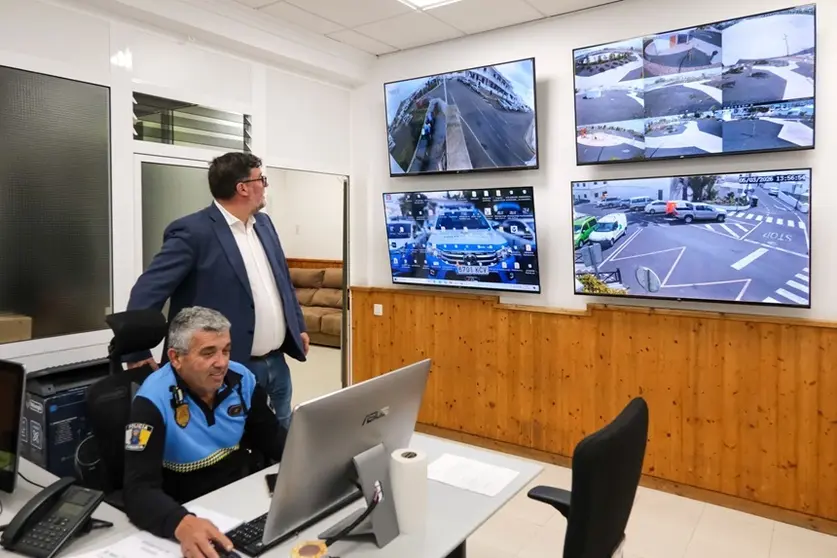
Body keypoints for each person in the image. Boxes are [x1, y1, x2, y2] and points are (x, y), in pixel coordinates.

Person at [125, 152, 309, 429]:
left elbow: (282, 282)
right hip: (226, 367)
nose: (265, 186)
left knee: (281, 435)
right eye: (262, 179)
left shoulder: (265, 226)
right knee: (233, 442)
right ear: (243, 187)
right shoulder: (193, 232)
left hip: (276, 363)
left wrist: (299, 326)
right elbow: (146, 293)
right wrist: (136, 352)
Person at [123, 307, 287, 558]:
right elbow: (138, 490)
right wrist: (181, 523)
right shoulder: (151, 401)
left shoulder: (242, 379)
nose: (222, 363)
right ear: (176, 358)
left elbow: (274, 440)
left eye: (226, 350)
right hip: (188, 506)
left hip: (242, 498)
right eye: (208, 353)